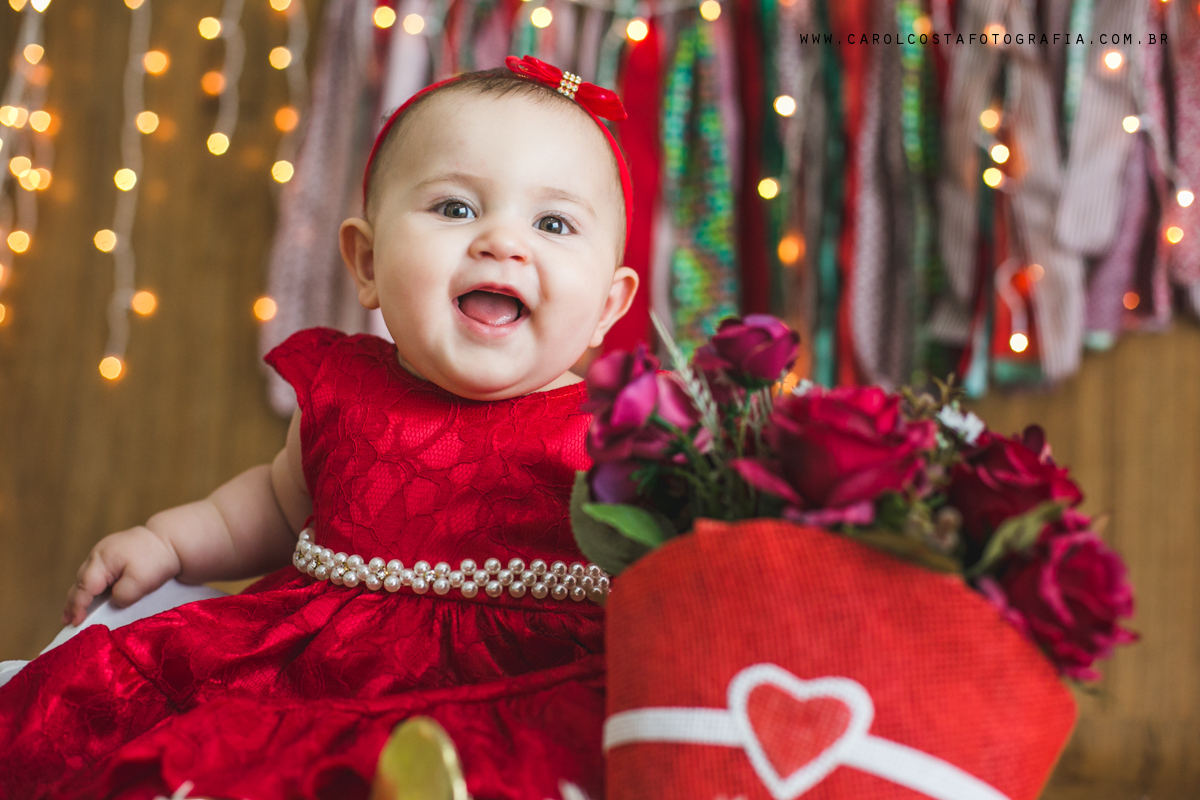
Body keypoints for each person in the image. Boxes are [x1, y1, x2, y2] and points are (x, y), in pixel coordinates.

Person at [0, 56, 639, 800]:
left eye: (553, 223)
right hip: (309, 683)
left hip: (532, 699)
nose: (502, 242)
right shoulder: (348, 393)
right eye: (455, 208)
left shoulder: (620, 437)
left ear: (607, 306)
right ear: (365, 262)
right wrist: (169, 542)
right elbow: (276, 507)